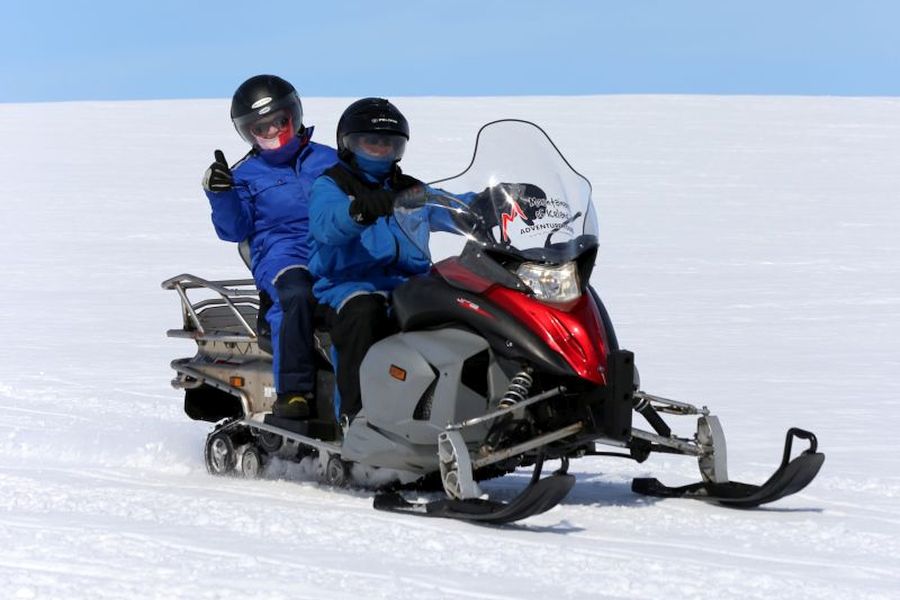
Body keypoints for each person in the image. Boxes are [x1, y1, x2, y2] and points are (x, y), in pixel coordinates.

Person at [202, 74, 337, 419]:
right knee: (296, 293)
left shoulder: (331, 159)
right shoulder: (245, 175)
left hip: (337, 250)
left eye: (279, 122)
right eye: (261, 128)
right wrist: (220, 193)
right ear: (248, 134)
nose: (274, 133)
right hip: (282, 255)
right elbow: (234, 229)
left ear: (294, 115)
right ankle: (294, 394)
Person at [307, 98, 437, 421]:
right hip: (346, 286)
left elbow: (451, 207)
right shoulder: (332, 184)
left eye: (389, 143)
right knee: (364, 313)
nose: (380, 149)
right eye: (372, 141)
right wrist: (359, 211)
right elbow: (325, 222)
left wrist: (495, 203)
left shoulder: (410, 190)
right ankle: (357, 418)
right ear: (349, 144)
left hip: (408, 285)